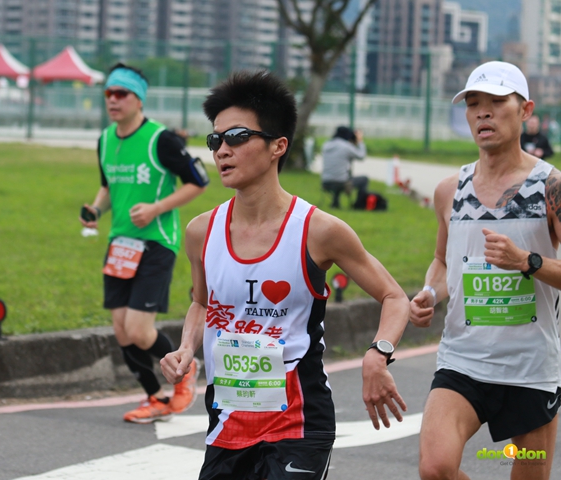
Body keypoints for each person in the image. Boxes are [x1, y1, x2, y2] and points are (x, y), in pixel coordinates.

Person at [160, 71, 409, 480]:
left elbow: (394, 297)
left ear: (278, 145)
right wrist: (186, 348)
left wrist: (378, 354)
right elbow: (202, 303)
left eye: (237, 136)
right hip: (226, 423)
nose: (222, 150)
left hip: (298, 424)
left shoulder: (319, 231)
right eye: (215, 140)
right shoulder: (200, 232)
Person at [410, 61, 561, 480]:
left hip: (532, 369)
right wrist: (429, 293)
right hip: (464, 360)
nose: (483, 113)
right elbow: (442, 261)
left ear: (526, 110)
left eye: (497, 102)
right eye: (474, 104)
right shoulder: (449, 190)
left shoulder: (551, 187)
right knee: (435, 469)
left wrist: (527, 262)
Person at [80, 63, 210, 424]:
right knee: (121, 329)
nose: (113, 100)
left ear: (139, 99)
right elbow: (108, 186)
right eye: (108, 93)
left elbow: (198, 181)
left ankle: (186, 369)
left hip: (157, 242)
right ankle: (154, 396)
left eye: (121, 94)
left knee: (139, 329)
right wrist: (95, 209)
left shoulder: (161, 140)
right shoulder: (105, 139)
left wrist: (156, 208)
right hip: (120, 243)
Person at [320, 126, 368, 208]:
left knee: (338, 175)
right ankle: (359, 205)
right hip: (341, 183)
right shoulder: (346, 147)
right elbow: (361, 156)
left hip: (325, 182)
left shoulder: (326, 145)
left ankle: (335, 203)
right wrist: (360, 141)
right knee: (364, 179)